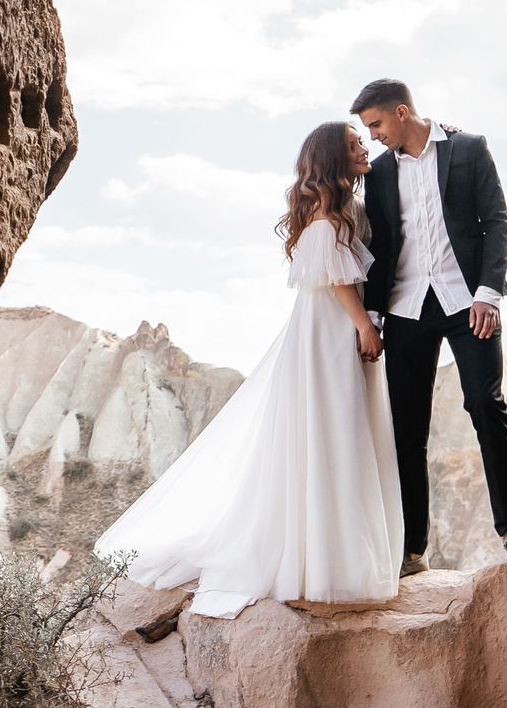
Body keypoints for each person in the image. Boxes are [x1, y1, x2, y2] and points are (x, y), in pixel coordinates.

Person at [92, 122, 404, 612]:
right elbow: (339, 281)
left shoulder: (344, 209)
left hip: (329, 327)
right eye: (352, 144)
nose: (364, 147)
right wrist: (365, 325)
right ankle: (322, 563)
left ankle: (335, 558)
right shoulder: (326, 219)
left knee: (339, 432)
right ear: (332, 159)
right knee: (333, 430)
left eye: (362, 140)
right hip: (329, 331)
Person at [348, 78, 507, 576]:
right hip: (406, 308)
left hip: (468, 303)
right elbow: (383, 244)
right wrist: (374, 315)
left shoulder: (469, 149)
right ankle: (413, 551)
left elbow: (496, 221)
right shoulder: (381, 171)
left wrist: (489, 292)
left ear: (401, 113)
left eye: (376, 124)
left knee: (486, 404)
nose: (374, 135)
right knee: (407, 428)